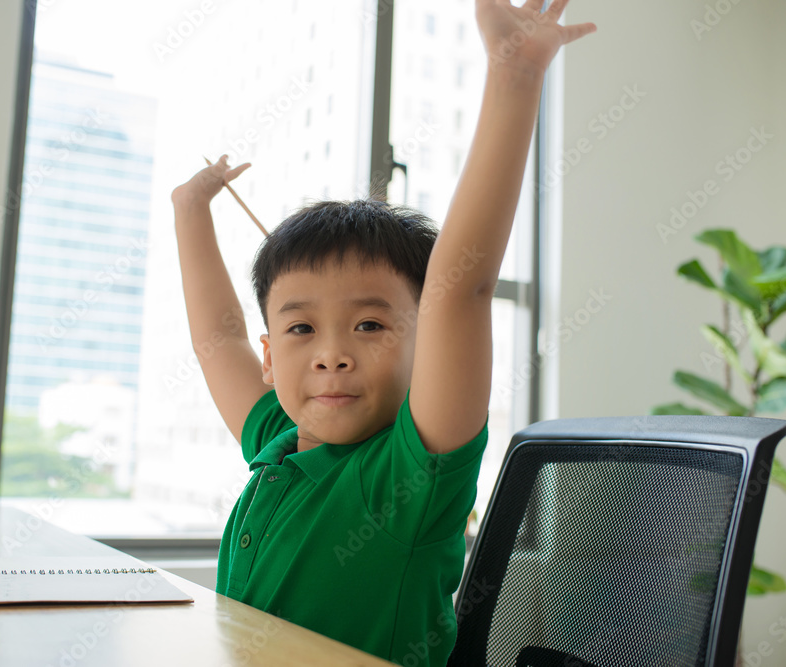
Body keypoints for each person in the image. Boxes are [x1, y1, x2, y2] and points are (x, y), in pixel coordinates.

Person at [170, 1, 595, 664]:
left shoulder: (411, 473)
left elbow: (461, 289)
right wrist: (190, 209)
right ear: (271, 357)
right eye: (301, 327)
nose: (332, 354)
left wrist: (513, 80)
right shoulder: (276, 443)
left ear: (425, 347)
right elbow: (218, 340)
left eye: (370, 323)